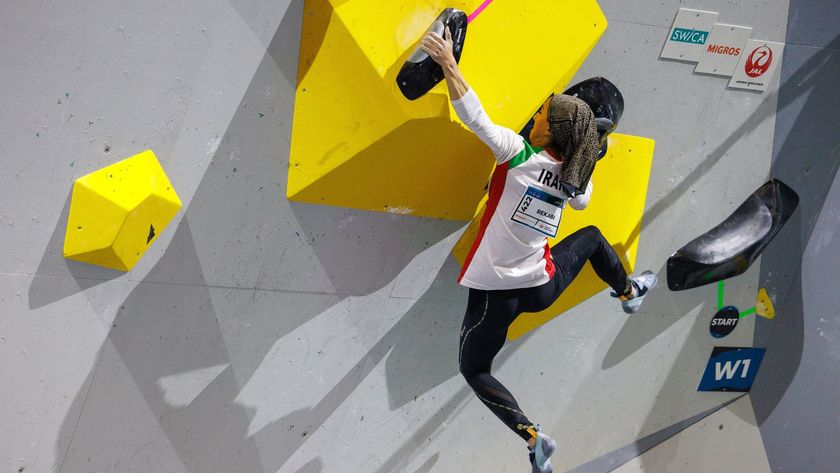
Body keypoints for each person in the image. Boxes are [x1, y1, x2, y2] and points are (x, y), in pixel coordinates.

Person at [419, 28, 657, 473]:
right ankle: (628, 292)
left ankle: (533, 435)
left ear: (550, 128)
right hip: (541, 284)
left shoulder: (518, 154)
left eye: (545, 111)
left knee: (474, 369)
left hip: (497, 295)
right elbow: (584, 193)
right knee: (590, 239)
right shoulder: (573, 182)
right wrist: (590, 149)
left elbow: (475, 116)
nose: (539, 112)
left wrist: (449, 65)